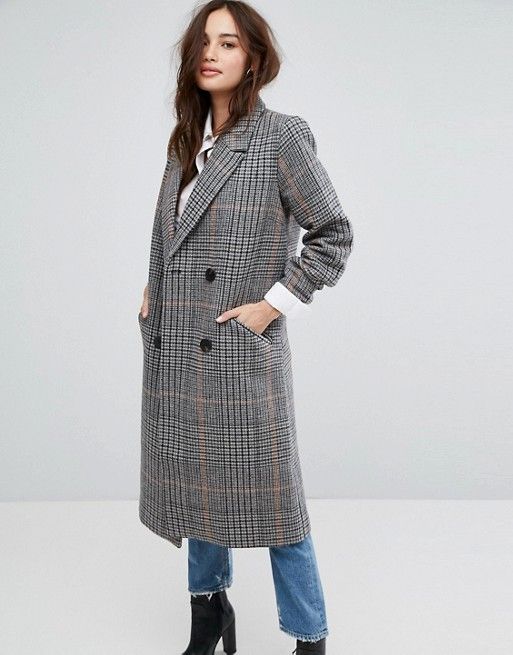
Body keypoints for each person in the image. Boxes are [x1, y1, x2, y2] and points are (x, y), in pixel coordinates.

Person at [137, 2, 354, 653]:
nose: (211, 53)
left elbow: (332, 233)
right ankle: (209, 615)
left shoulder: (279, 137)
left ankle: (309, 638)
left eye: (228, 42)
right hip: (178, 346)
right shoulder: (185, 142)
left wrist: (275, 303)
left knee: (278, 508)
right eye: (204, 41)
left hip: (236, 352)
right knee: (196, 494)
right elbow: (172, 236)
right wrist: (154, 286)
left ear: (254, 58)